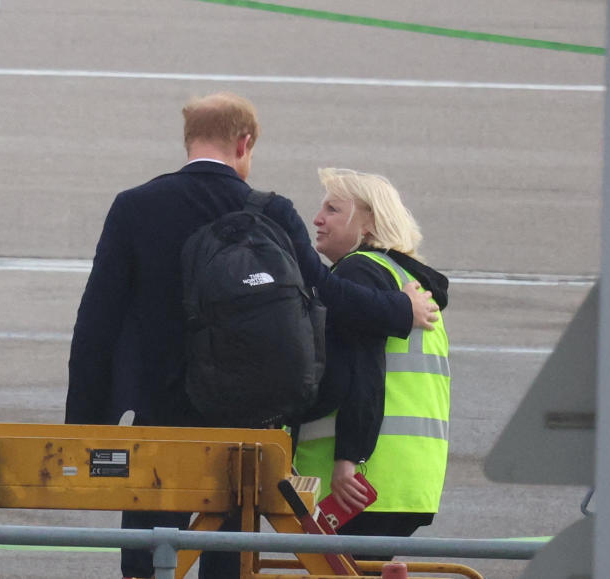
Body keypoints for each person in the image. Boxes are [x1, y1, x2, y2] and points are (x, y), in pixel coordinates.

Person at [65, 93, 439, 579]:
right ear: (244, 144)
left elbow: (96, 324)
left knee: (149, 557)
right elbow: (326, 294)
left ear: (188, 141)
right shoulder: (269, 210)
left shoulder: (135, 207)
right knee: (229, 557)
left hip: (161, 421)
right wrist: (400, 308)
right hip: (242, 423)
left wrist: (84, 430)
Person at [293, 168, 451, 561]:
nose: (318, 219)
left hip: (358, 479)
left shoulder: (358, 273)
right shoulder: (406, 282)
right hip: (410, 478)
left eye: (333, 209)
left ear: (368, 223)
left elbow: (362, 370)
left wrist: (350, 458)